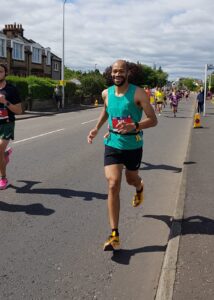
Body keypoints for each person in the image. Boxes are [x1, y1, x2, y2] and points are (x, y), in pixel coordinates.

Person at [87, 60, 157, 251]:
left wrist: (135, 126)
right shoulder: (106, 93)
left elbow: (153, 120)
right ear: (111, 73)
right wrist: (96, 128)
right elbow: (106, 110)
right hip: (112, 144)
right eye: (114, 71)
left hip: (133, 145)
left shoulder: (138, 93)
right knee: (112, 184)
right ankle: (114, 234)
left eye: (121, 71)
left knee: (131, 179)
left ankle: (139, 187)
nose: (117, 74)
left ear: (128, 73)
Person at [0, 63, 22, 189]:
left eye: (0, 71)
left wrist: (5, 102)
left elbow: (19, 110)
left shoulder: (11, 89)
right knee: (0, 153)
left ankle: (3, 178)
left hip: (6, 124)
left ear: (5, 73)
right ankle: (5, 155)